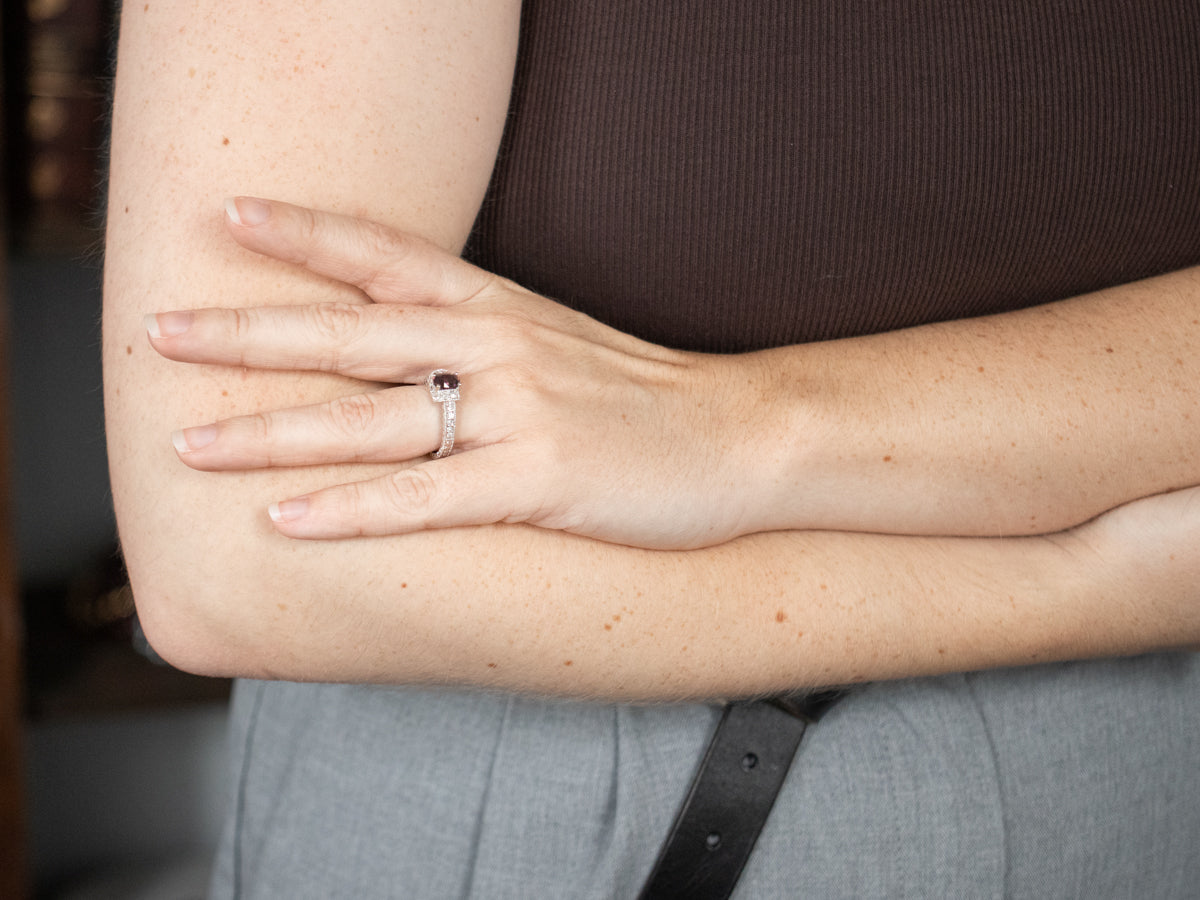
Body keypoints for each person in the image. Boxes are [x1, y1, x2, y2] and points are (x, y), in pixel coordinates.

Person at [104, 1, 1200, 896]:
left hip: (1152, 772)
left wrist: (740, 428)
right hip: (586, 790)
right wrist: (1088, 582)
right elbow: (236, 570)